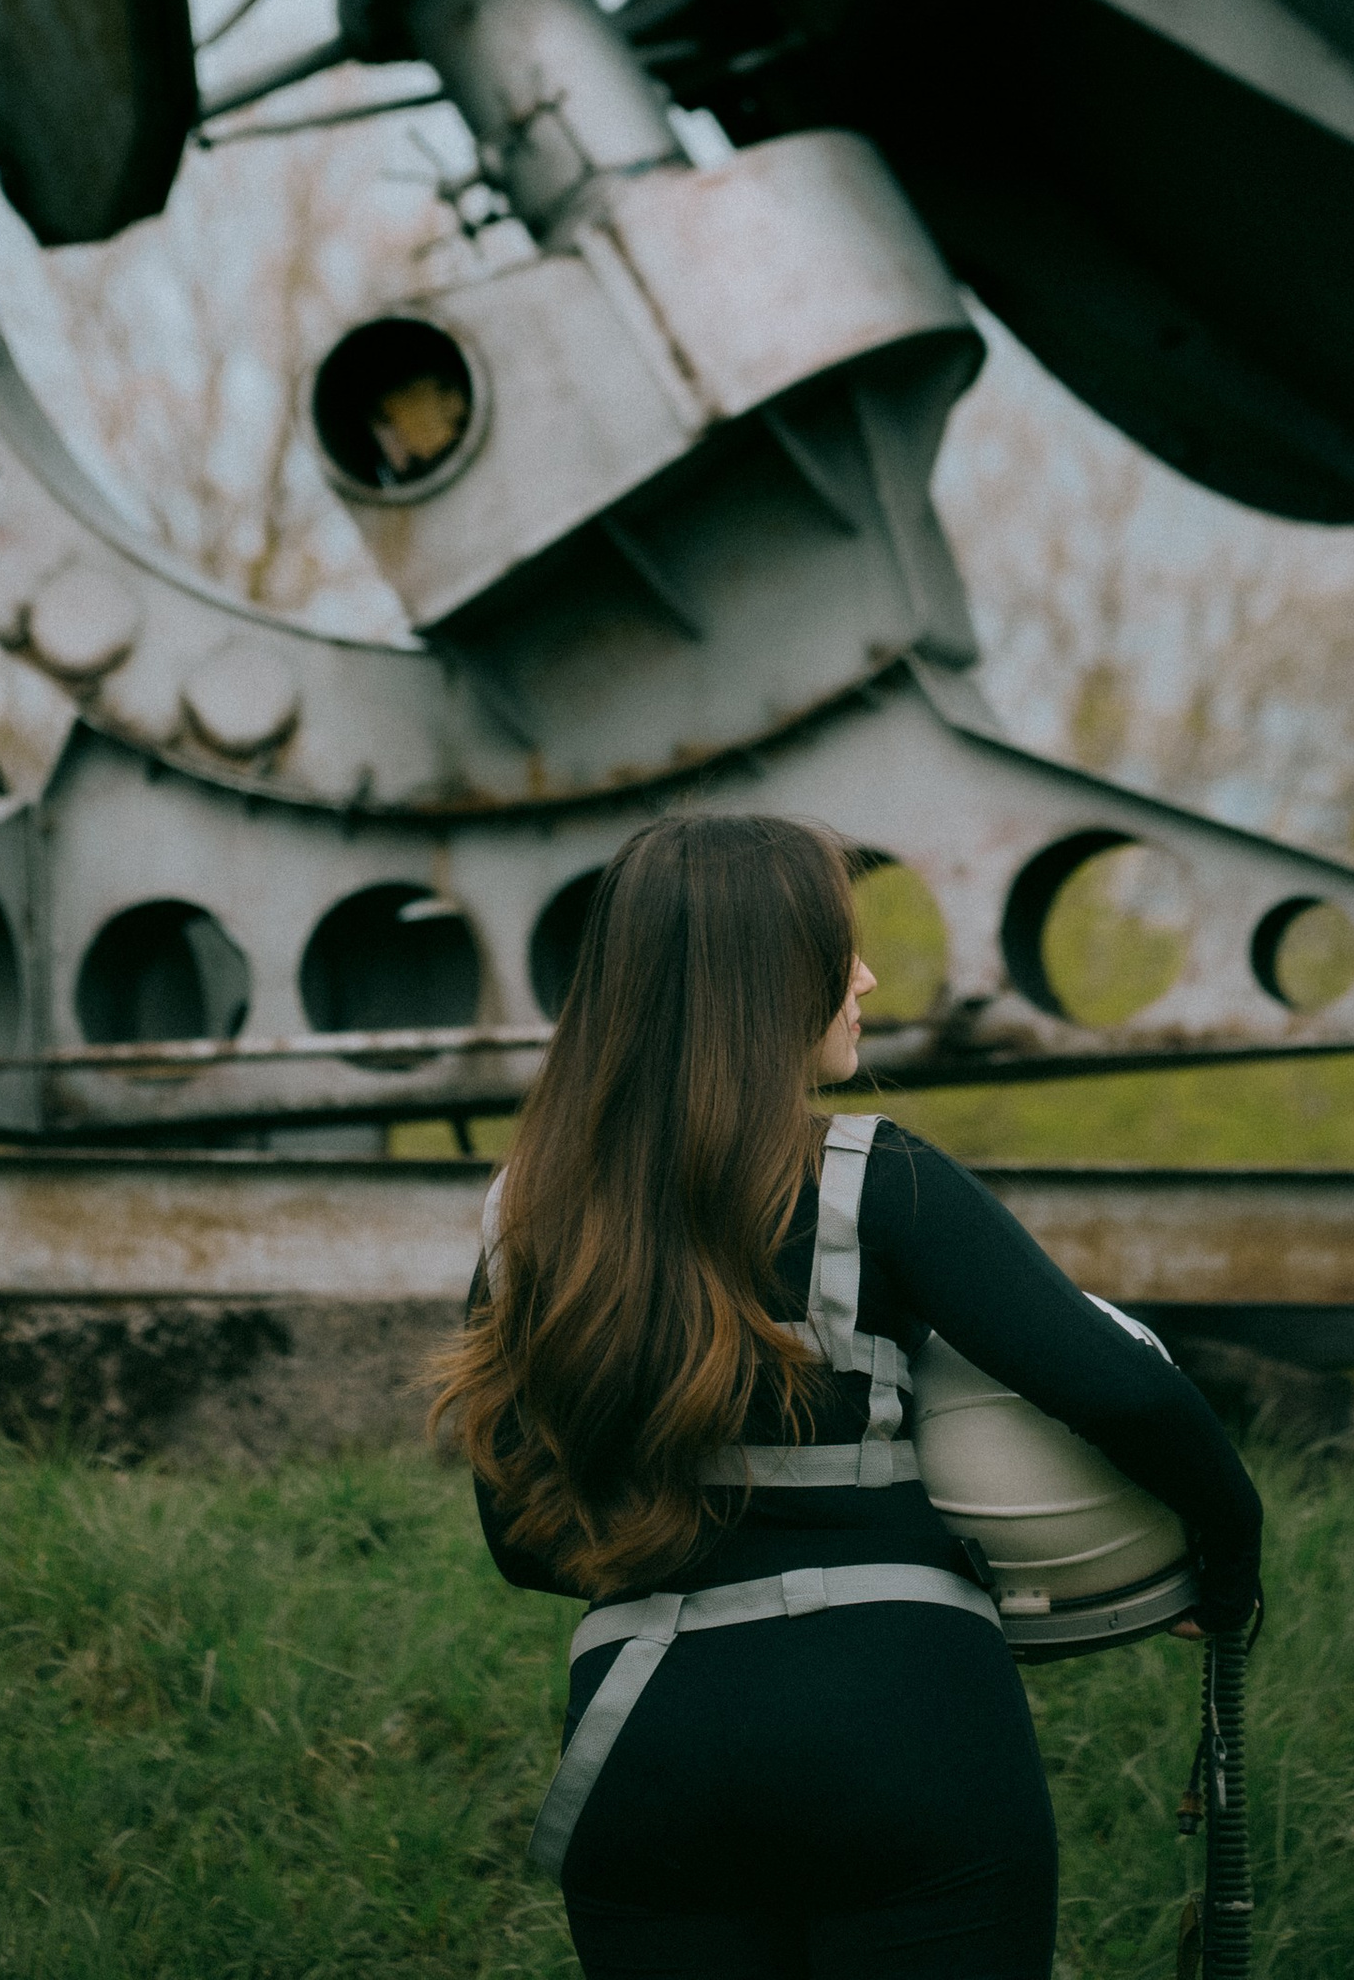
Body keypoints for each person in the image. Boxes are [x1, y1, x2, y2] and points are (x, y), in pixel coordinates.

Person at [430, 810, 1263, 1977]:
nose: (864, 977)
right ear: (763, 983)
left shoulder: (525, 1216)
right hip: (903, 1722)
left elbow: (519, 1540)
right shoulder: (880, 1180)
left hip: (644, 1740)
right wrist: (1228, 1562)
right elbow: (1128, 1395)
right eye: (839, 949)